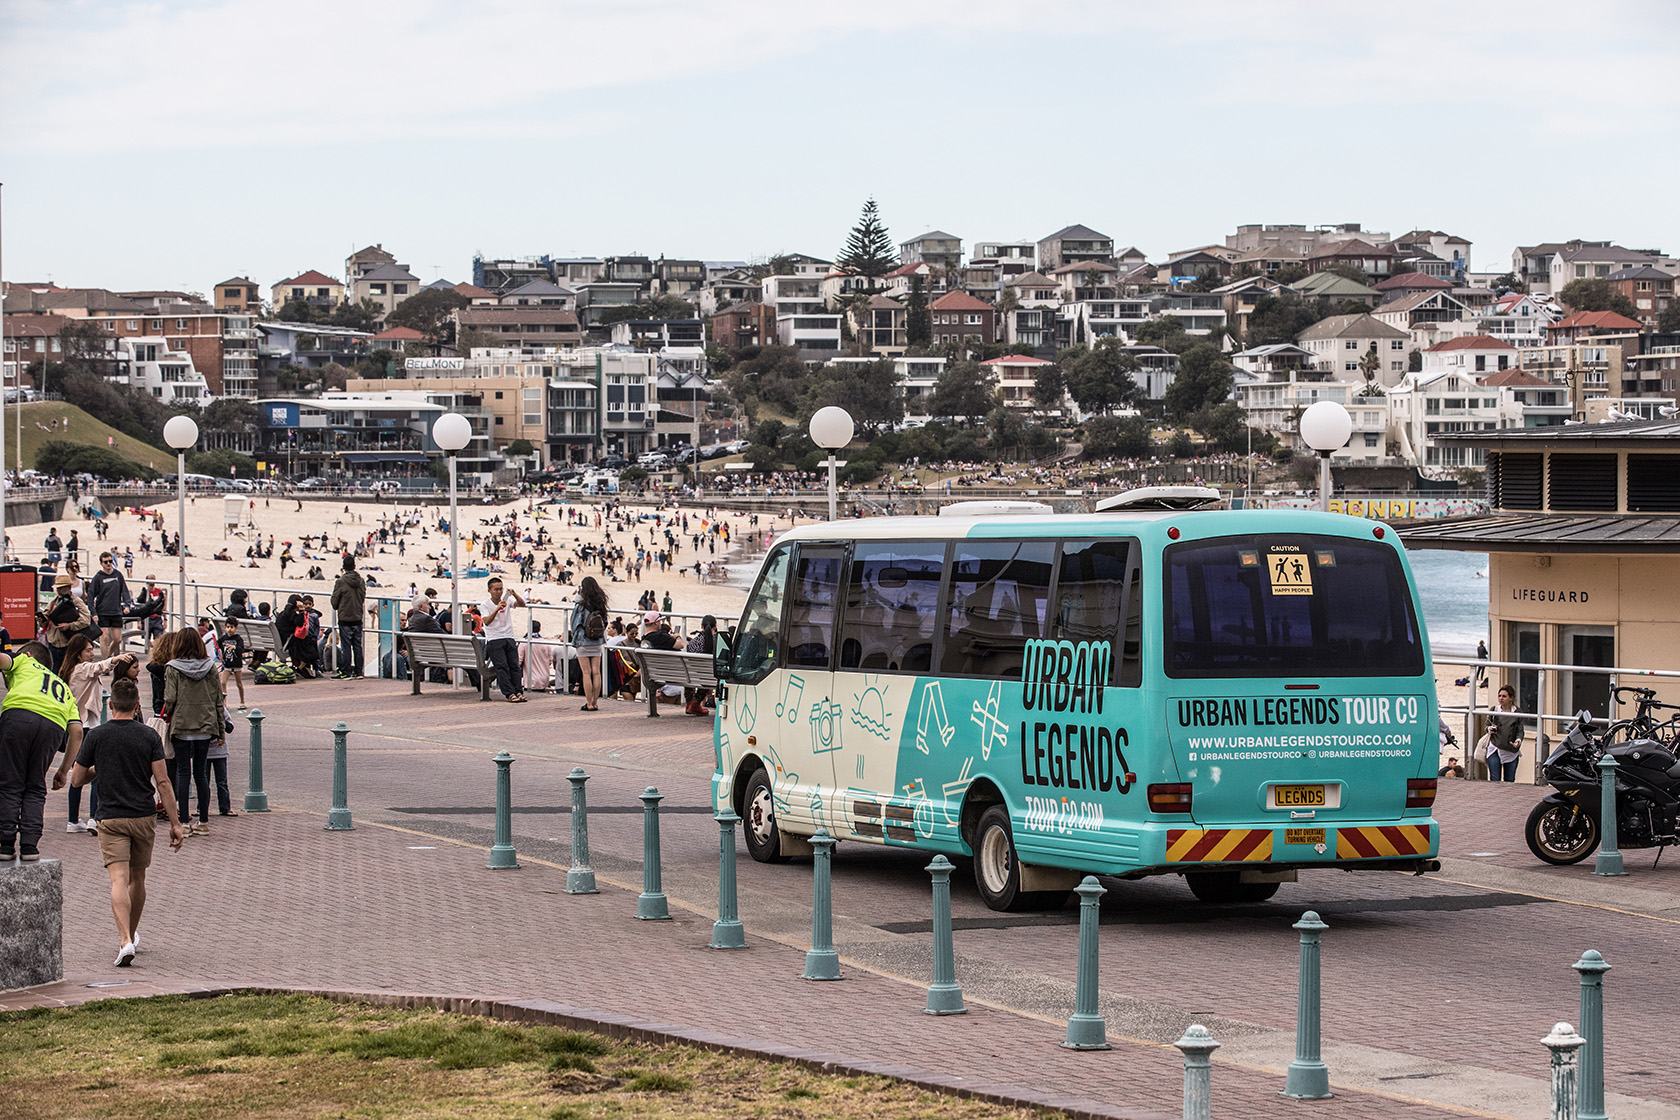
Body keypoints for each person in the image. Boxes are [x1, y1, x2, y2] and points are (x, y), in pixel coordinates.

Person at [69, 677, 182, 966]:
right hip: (143, 816)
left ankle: (124, 941)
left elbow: (77, 779)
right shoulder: (148, 736)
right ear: (136, 705)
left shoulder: (96, 736)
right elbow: (164, 782)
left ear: (110, 704)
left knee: (118, 879)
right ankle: (131, 933)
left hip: (110, 817)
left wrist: (99, 769)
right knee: (138, 878)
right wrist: (175, 823)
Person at [0, 641, 84, 863]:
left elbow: (3, 660)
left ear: (27, 654)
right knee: (35, 787)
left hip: (18, 716)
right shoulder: (64, 689)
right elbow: (76, 731)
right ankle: (30, 846)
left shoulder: (25, 661)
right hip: (52, 727)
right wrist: (64, 769)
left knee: (10, 783)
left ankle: (5, 844)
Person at [64, 634, 136, 834]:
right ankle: (94, 818)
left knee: (78, 776)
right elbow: (98, 667)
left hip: (76, 727)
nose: (91, 653)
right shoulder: (81, 669)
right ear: (78, 653)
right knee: (96, 773)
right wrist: (116, 659)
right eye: (87, 650)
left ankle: (73, 820)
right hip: (88, 727)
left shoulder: (69, 670)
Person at [164, 626, 225, 834]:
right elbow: (219, 699)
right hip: (206, 725)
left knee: (183, 772)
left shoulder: (172, 667)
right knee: (201, 774)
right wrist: (221, 730)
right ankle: (204, 822)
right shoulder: (210, 667)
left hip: (182, 724)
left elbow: (170, 698)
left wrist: (169, 714)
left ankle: (184, 822)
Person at [479, 576, 527, 703]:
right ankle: (509, 693)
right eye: (496, 589)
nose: (499, 592)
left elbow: (522, 604)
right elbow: (486, 622)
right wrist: (497, 608)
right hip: (494, 639)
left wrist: (514, 594)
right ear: (489, 590)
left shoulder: (507, 601)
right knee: (502, 667)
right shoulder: (485, 605)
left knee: (514, 666)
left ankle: (518, 691)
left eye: (501, 589)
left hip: (508, 636)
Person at [569, 576, 608, 711]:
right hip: (597, 641)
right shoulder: (600, 604)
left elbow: (574, 623)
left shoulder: (581, 605)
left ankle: (589, 703)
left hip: (583, 641)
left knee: (586, 673)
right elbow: (605, 623)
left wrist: (576, 637)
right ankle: (596, 702)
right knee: (596, 672)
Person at [42, 571, 93, 673]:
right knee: (55, 672)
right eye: (58, 588)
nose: (59, 590)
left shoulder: (76, 601)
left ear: (69, 588)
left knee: (69, 672)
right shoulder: (53, 602)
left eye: (62, 588)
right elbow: (46, 622)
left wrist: (70, 626)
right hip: (54, 642)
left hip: (68, 643)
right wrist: (41, 620)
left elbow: (86, 620)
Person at [88, 550, 133, 656]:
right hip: (102, 611)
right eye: (105, 562)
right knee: (105, 638)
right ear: (101, 564)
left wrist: (127, 605)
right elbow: (90, 596)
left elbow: (125, 591)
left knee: (117, 639)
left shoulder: (118, 575)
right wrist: (93, 613)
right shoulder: (98, 577)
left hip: (116, 611)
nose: (108, 564)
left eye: (110, 561)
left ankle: (107, 657)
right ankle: (105, 664)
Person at [331, 555, 366, 679]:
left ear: (344, 567)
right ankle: (358, 672)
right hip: (357, 617)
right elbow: (362, 597)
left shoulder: (340, 582)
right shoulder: (361, 581)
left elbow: (334, 602)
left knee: (346, 647)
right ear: (354, 566)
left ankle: (346, 672)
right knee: (357, 646)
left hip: (345, 618)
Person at [1485, 684, 1524, 782]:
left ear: (1511, 698)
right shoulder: (1494, 710)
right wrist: (1490, 729)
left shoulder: (1517, 712)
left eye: (1504, 696)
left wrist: (1518, 741)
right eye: (1499, 696)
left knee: (1509, 780)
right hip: (1495, 747)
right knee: (1494, 779)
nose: (1501, 699)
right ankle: (1495, 796)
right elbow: (1486, 726)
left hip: (1510, 750)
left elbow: (1520, 730)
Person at [684, 614, 718, 717]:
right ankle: (695, 704)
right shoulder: (716, 642)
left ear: (701, 626)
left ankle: (689, 702)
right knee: (709, 674)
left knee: (689, 673)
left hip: (690, 675)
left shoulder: (693, 642)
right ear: (715, 627)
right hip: (707, 677)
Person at [220, 619, 247, 711]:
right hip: (227, 664)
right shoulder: (223, 638)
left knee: (239, 683)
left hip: (236, 664)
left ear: (236, 628)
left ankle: (242, 701)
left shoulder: (238, 639)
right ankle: (224, 703)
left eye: (231, 627)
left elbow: (242, 649)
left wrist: (234, 647)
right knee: (223, 682)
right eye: (227, 627)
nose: (229, 629)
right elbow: (217, 645)